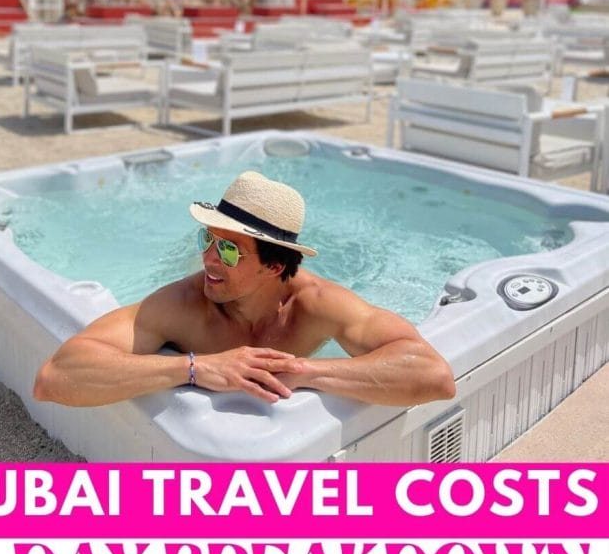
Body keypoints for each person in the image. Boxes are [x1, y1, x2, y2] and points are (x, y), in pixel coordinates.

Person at [34, 171, 455, 408]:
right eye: (207, 241)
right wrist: (195, 367)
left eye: (230, 251)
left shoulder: (318, 303)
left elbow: (434, 375)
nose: (209, 259)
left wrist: (304, 371)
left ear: (274, 265)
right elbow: (56, 376)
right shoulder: (181, 304)